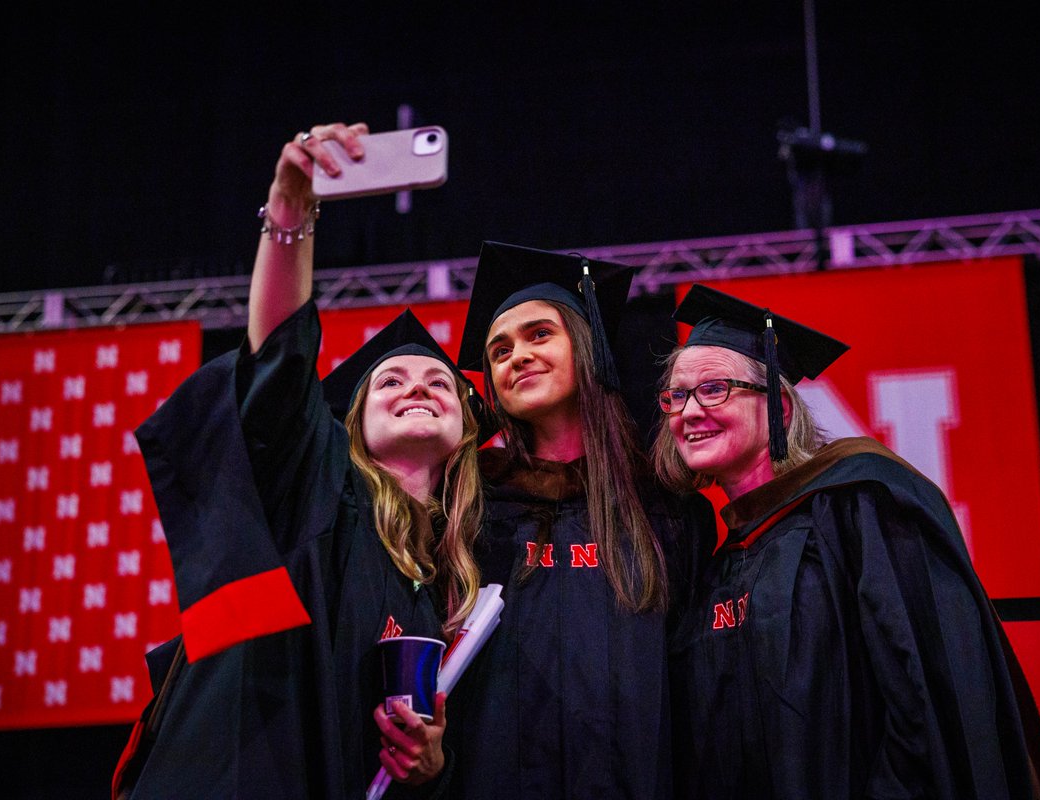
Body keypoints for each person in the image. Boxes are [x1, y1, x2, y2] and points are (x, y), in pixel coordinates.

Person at [112, 122, 486, 799]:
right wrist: (290, 212)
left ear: (464, 431)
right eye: (391, 383)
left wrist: (430, 767)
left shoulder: (445, 588)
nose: (417, 388)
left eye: (437, 382)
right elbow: (280, 364)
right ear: (349, 425)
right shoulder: (316, 484)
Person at [651, 283, 1040, 799]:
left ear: (779, 410)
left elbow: (923, 700)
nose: (689, 412)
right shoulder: (719, 565)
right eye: (676, 396)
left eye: (714, 389)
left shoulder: (859, 505)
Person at [444, 241, 716, 799]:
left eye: (539, 334)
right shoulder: (470, 507)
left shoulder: (663, 509)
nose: (516, 356)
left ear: (587, 347)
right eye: (498, 351)